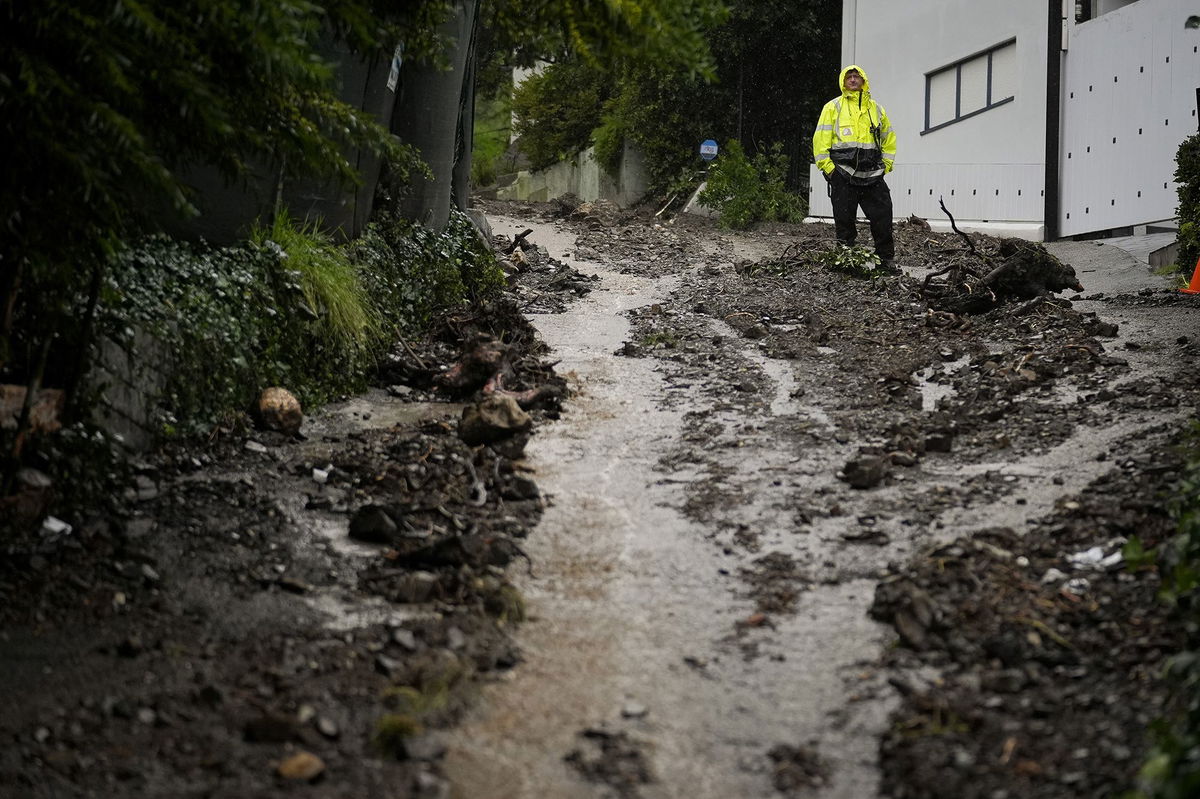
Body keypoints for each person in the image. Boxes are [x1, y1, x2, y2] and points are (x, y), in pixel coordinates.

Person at [812, 65, 898, 271]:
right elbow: (820, 139)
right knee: (844, 220)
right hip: (843, 173)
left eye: (856, 76)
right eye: (849, 77)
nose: (852, 80)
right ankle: (846, 261)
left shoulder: (876, 109)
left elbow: (888, 138)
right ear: (843, 81)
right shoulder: (832, 107)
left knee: (883, 217)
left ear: (863, 80)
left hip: (873, 174)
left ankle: (886, 261)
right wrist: (829, 169)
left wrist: (886, 165)